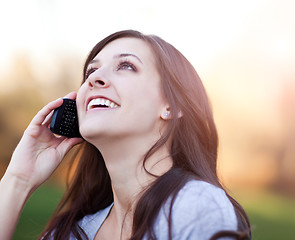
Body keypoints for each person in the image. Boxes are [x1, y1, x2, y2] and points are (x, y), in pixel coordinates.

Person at [0, 30, 251, 240]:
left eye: (126, 66)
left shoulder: (194, 207)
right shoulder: (69, 232)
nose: (95, 78)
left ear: (172, 106)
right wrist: (18, 180)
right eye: (90, 72)